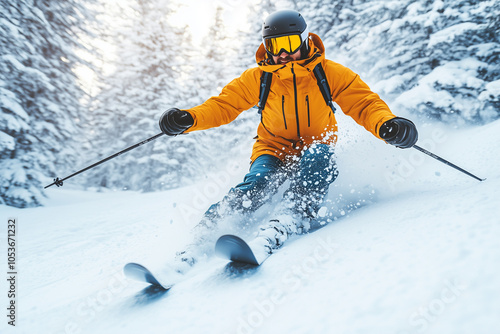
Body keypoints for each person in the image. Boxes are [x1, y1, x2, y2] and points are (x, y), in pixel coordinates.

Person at [159, 10, 418, 272]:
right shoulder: (259, 77)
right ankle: (204, 234)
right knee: (258, 182)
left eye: (289, 44)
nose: (282, 53)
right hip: (272, 148)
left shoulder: (328, 73)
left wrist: (387, 125)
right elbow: (224, 105)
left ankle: (291, 216)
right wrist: (188, 119)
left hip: (316, 144)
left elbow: (363, 103)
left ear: (304, 41)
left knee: (318, 155)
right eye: (274, 45)